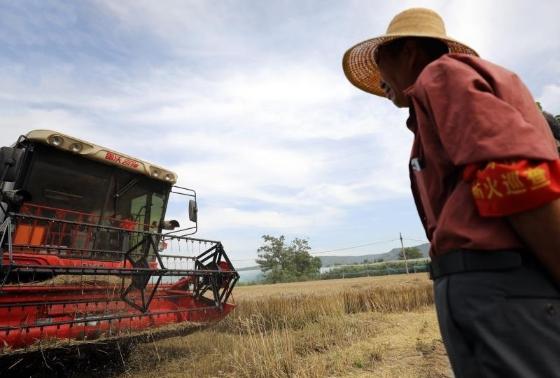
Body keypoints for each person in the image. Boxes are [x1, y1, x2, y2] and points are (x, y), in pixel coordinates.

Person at [342, 7, 560, 378]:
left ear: (409, 51)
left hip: (505, 290)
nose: (379, 80)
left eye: (382, 61)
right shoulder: (432, 108)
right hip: (495, 292)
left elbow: (514, 179)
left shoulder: (442, 76)